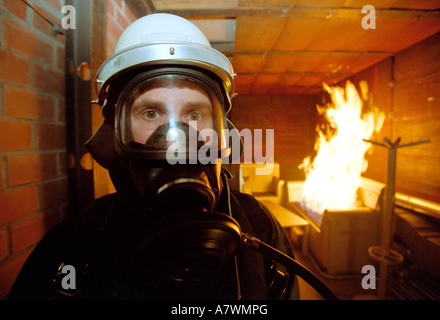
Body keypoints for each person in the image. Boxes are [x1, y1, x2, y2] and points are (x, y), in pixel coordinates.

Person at [9, 13, 299, 300]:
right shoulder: (73, 244)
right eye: (151, 113)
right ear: (116, 135)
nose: (176, 139)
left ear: (222, 131)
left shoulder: (259, 228)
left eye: (195, 114)